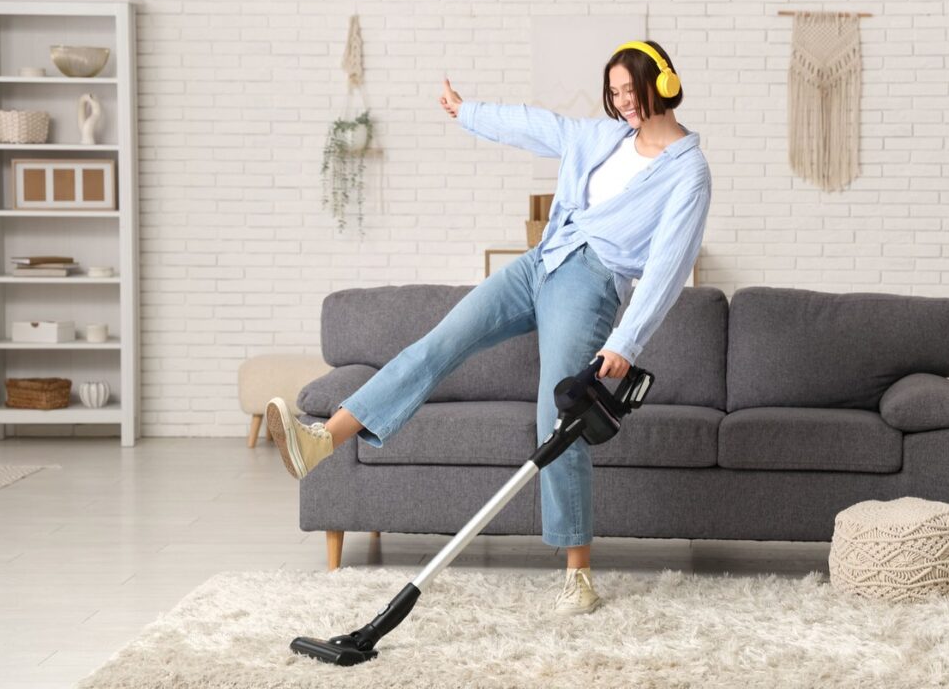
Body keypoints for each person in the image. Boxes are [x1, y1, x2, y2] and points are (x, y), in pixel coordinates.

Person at [268, 39, 712, 615]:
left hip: (592, 283)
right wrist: (469, 112)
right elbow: (538, 125)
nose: (625, 102)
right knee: (438, 345)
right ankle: (321, 439)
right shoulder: (605, 138)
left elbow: (669, 267)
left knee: (559, 417)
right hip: (539, 262)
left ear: (665, 84)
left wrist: (626, 342)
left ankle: (578, 574)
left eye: (633, 89)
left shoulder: (688, 173)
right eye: (616, 92)